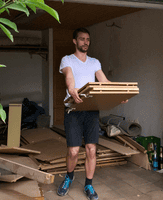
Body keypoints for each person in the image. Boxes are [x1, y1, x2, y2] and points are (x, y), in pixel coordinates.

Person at [57, 27, 127, 200]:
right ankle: (69, 177)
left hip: (91, 110)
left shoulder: (95, 62)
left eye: (87, 39)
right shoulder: (67, 60)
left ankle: (88, 184)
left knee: (91, 149)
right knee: (73, 151)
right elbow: (69, 77)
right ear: (75, 41)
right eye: (81, 39)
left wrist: (119, 94)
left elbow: (104, 82)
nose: (85, 42)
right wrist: (72, 89)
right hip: (73, 109)